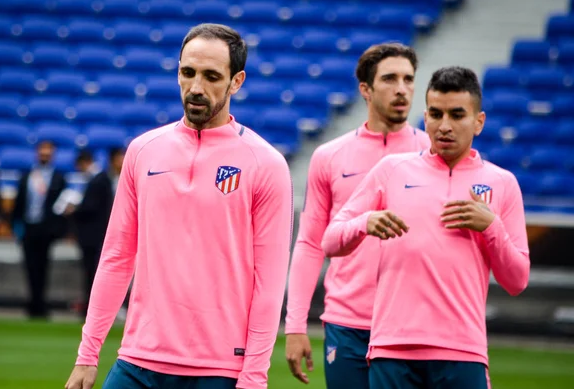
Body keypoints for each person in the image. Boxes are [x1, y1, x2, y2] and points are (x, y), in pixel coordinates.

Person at [65, 23, 293, 389]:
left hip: (219, 370)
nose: (196, 87)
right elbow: (117, 256)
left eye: (212, 76)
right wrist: (87, 355)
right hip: (137, 361)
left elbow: (269, 282)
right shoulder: (142, 150)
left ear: (237, 81)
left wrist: (254, 376)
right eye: (188, 73)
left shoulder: (265, 164)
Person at [321, 66, 530, 389]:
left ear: (479, 121)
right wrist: (365, 223)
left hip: (463, 351)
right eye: (435, 114)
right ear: (426, 115)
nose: (444, 126)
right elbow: (330, 242)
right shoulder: (392, 170)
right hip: (392, 350)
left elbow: (517, 280)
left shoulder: (501, 183)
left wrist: (491, 227)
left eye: (457, 115)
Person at [284, 43, 430, 388]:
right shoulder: (329, 156)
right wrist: (294, 325)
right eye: (390, 78)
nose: (402, 89)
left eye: (409, 79)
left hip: (411, 325)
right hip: (346, 323)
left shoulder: (432, 154)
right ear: (365, 89)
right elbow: (309, 244)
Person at [11, 140, 67, 319]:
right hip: (29, 227)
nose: (45, 155)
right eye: (42, 152)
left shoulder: (58, 178)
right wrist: (16, 226)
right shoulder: (27, 176)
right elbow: (19, 203)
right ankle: (32, 302)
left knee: (43, 267)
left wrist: (58, 231)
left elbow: (61, 206)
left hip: (46, 229)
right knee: (30, 267)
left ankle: (40, 303)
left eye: (48, 152)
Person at [65, 150, 113, 319]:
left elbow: (91, 208)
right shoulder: (100, 178)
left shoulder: (99, 179)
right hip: (93, 235)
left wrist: (74, 210)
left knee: (92, 274)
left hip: (94, 236)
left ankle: (93, 310)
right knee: (90, 274)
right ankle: (91, 309)